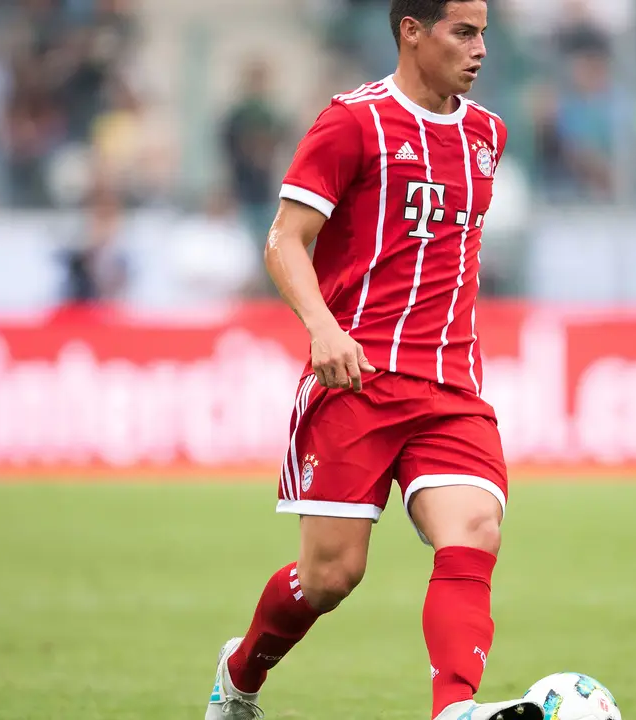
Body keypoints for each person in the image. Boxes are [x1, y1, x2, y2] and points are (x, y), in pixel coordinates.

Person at [203, 3, 542, 720]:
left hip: (451, 381)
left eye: (484, 32)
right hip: (355, 380)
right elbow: (284, 240)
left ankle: (454, 709)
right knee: (331, 576)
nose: (481, 48)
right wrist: (323, 330)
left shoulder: (488, 134)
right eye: (463, 32)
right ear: (411, 31)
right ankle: (238, 677)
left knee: (474, 529)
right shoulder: (352, 123)